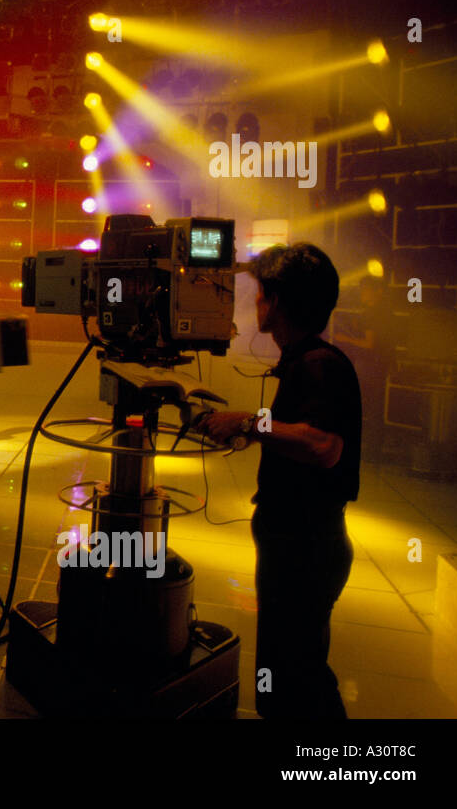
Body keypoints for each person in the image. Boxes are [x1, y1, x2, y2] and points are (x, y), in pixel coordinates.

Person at [198, 243, 359, 719]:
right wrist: (251, 433)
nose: (255, 303)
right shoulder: (304, 361)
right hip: (297, 544)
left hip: (306, 548)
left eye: (261, 293)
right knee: (287, 675)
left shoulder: (318, 364)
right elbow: (300, 439)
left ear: (279, 302)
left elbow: (323, 446)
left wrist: (248, 423)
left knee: (300, 681)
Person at [334, 275, 393, 463]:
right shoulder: (386, 312)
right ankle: (373, 452)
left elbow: (368, 344)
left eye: (367, 288)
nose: (363, 292)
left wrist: (346, 339)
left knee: (358, 407)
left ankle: (357, 450)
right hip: (380, 366)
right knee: (375, 409)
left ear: (378, 291)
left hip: (368, 367)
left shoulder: (371, 313)